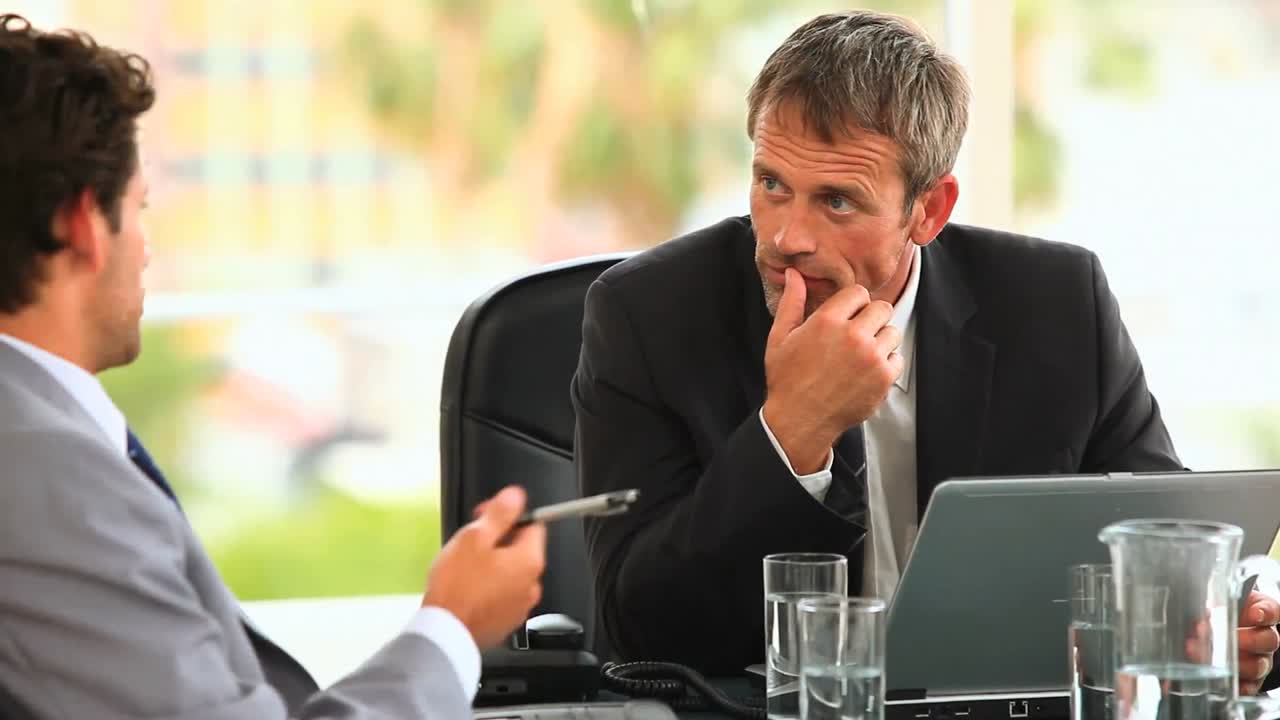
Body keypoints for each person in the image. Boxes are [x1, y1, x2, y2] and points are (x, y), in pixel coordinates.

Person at [572, 9, 1280, 693]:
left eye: (837, 201)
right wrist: (793, 431)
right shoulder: (647, 314)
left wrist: (1213, 633)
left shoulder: (1058, 305)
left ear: (929, 210)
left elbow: (1172, 552)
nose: (788, 237)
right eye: (772, 184)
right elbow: (639, 632)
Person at [0, 14, 546, 719]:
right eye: (139, 209)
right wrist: (455, 627)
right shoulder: (46, 470)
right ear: (82, 225)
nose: (148, 249)